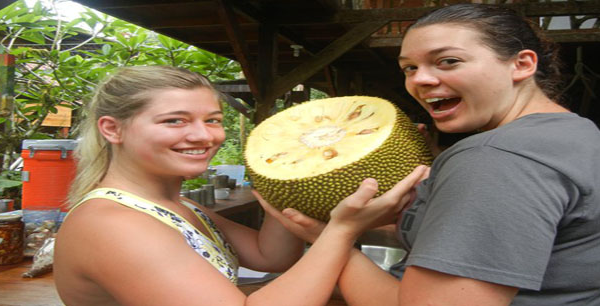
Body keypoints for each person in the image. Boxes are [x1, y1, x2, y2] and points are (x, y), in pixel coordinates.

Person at [267, 3, 600, 305]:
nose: (420, 80)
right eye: (409, 68)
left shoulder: (495, 158)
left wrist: (331, 238)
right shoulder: (578, 135)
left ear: (522, 64)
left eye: (447, 61)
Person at [53, 65, 428, 305]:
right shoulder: (112, 224)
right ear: (112, 129)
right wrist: (344, 229)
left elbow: (270, 256)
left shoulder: (179, 207)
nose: (203, 135)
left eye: (213, 120)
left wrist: (287, 172)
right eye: (175, 121)